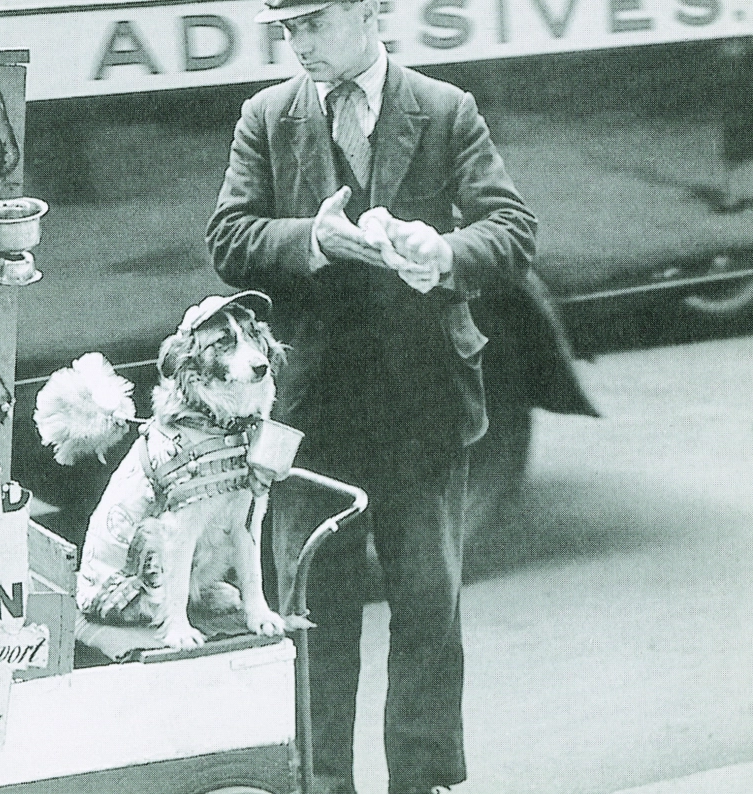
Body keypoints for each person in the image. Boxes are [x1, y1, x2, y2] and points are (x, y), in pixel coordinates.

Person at [205, 1, 537, 793]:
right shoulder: (267, 116)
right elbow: (227, 238)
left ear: (367, 12)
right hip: (308, 417)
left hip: (421, 406)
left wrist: (445, 251)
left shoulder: (446, 110)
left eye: (314, 24)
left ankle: (420, 782)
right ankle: (320, 783)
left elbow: (513, 228)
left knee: (428, 610)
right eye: (287, 30)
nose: (299, 45)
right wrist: (311, 240)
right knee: (310, 621)